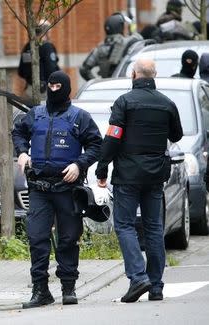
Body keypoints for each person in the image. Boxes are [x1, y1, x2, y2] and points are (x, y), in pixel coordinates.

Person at [95, 59, 183, 303]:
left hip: (127, 174)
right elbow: (176, 134)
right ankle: (155, 286)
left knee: (124, 224)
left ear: (133, 74)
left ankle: (137, 277)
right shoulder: (167, 104)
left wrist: (102, 168)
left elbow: (113, 138)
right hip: (155, 174)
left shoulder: (124, 103)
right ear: (154, 74)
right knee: (154, 227)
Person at [12, 71, 102, 308]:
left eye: (58, 85)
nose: (54, 89)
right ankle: (40, 290)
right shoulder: (36, 114)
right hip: (39, 188)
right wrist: (22, 151)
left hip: (67, 188)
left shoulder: (79, 117)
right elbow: (18, 131)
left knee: (68, 239)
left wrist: (79, 164)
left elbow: (96, 145)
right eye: (50, 85)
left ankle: (68, 288)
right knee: (37, 238)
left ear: (66, 88)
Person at [80, 13, 143, 81]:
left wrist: (97, 83)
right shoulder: (129, 41)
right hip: (125, 83)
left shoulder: (99, 48)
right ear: (120, 27)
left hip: (107, 85)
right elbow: (140, 39)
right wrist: (131, 29)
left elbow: (83, 70)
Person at [17, 20, 60, 100]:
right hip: (44, 91)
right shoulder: (47, 46)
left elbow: (21, 72)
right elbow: (52, 70)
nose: (50, 34)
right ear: (46, 32)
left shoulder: (27, 46)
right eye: (50, 31)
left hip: (29, 90)